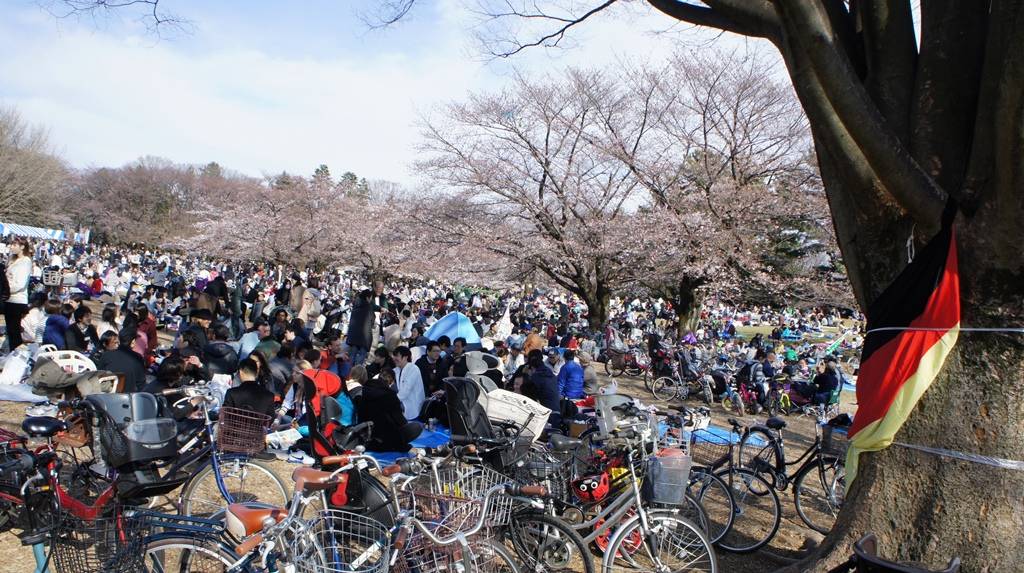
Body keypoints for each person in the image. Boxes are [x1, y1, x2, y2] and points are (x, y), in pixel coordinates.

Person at [355, 368, 422, 452]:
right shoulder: (390, 396)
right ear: (391, 382)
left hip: (366, 437)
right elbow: (400, 421)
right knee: (416, 427)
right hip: (386, 439)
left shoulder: (363, 390)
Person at [3, 238, 33, 350]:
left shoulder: (25, 261)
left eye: (14, 245)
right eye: (11, 244)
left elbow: (20, 283)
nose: (11, 247)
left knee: (14, 331)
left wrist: (6, 290)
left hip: (17, 300)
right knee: (11, 331)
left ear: (22, 246)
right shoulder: (13, 260)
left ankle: (16, 355)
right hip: (9, 299)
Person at [521, 349, 560, 427]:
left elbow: (527, 395)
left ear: (531, 367)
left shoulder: (536, 376)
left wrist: (525, 375)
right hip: (556, 413)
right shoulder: (549, 372)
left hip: (547, 417)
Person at [392, 345, 425, 421]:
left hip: (411, 404)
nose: (394, 358)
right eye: (394, 356)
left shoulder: (413, 369)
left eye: (397, 356)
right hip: (401, 401)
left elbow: (406, 390)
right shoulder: (396, 370)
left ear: (405, 357)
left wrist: (391, 401)